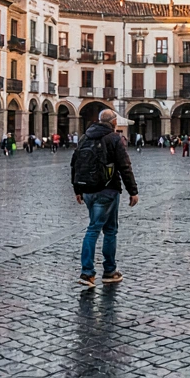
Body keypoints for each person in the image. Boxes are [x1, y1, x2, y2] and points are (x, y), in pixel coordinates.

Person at [72, 109, 138, 286]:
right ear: (114, 122)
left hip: (87, 190)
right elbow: (125, 166)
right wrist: (133, 191)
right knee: (106, 230)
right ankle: (101, 271)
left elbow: (75, 163)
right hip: (107, 190)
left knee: (95, 227)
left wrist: (77, 189)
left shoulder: (85, 137)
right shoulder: (114, 138)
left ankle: (92, 272)